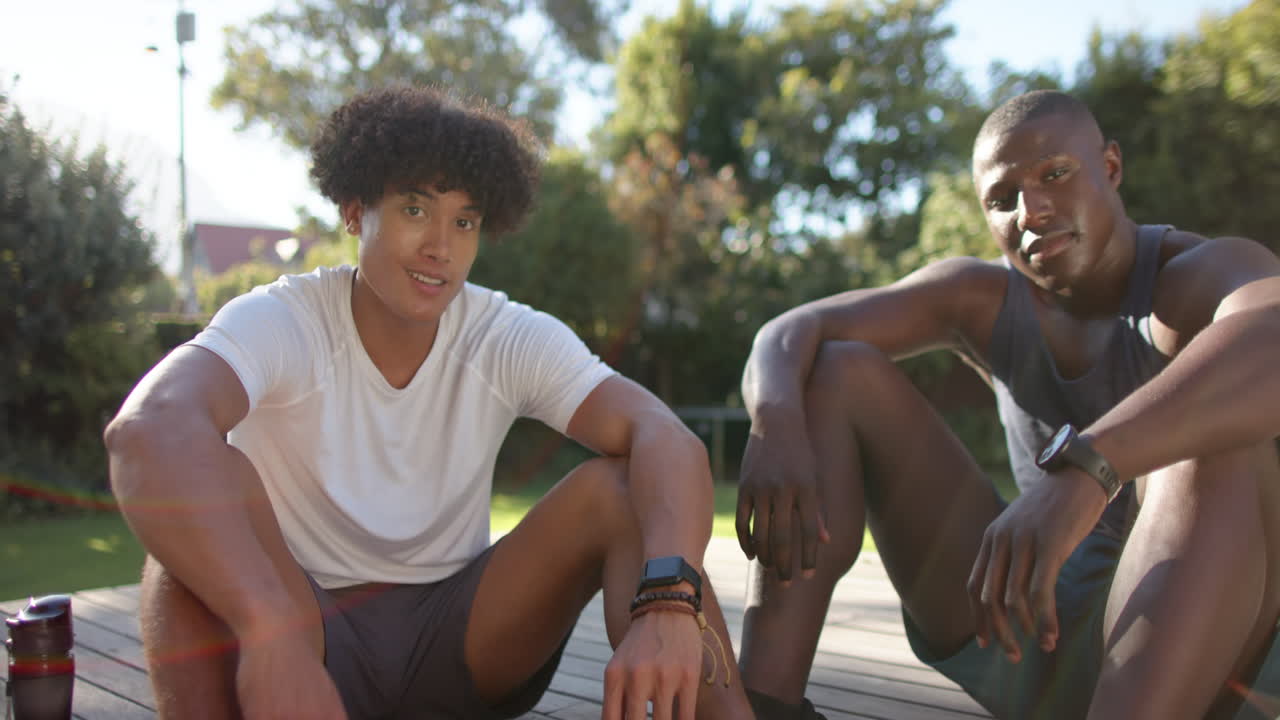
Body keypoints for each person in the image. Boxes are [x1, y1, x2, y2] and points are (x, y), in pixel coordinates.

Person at [105, 85, 753, 720]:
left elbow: (662, 435)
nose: (441, 246)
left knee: (619, 490)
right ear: (356, 212)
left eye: (464, 221)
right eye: (416, 210)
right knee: (182, 536)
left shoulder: (502, 334)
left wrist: (670, 600)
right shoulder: (285, 319)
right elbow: (148, 431)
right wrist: (268, 628)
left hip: (465, 643)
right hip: (309, 637)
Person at [733, 89, 1280, 720]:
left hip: (1198, 660)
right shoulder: (982, 297)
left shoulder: (1195, 274)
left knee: (1206, 436)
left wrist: (1088, 468)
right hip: (1027, 633)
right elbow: (792, 330)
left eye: (1055, 174)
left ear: (1110, 167)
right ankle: (761, 705)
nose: (1031, 210)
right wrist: (775, 426)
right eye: (1002, 198)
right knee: (833, 370)